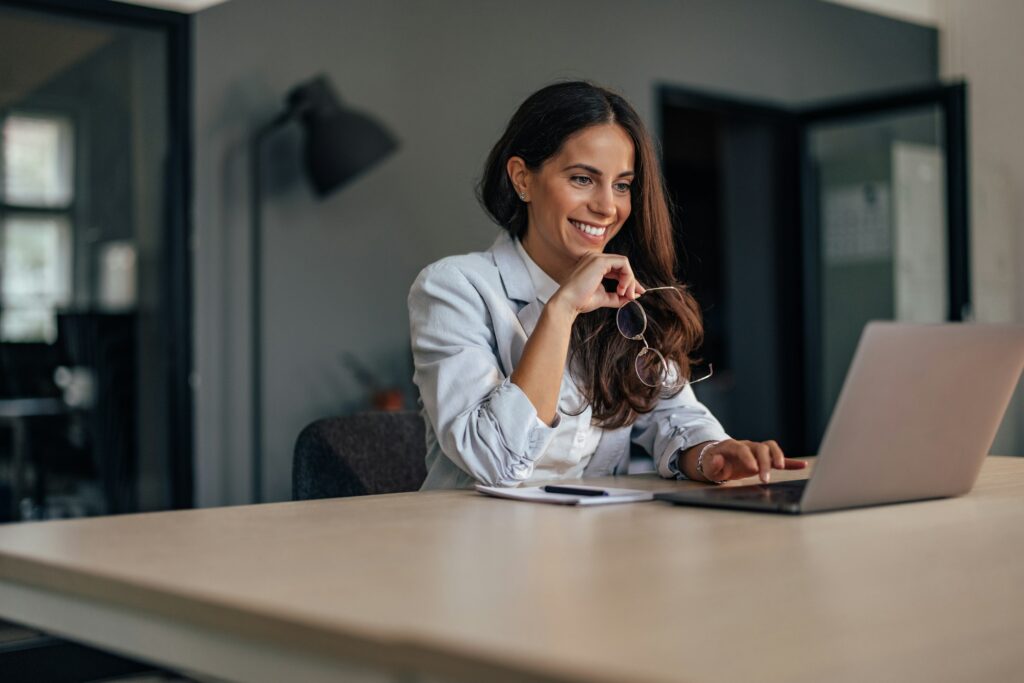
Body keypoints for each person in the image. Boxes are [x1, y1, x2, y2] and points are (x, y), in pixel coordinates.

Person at [409, 81, 806, 489]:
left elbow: (675, 415)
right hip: (478, 542)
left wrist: (710, 454)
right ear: (522, 179)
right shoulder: (453, 288)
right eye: (582, 179)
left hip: (596, 539)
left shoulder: (626, 292)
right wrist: (561, 310)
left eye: (621, 185)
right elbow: (494, 460)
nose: (607, 206)